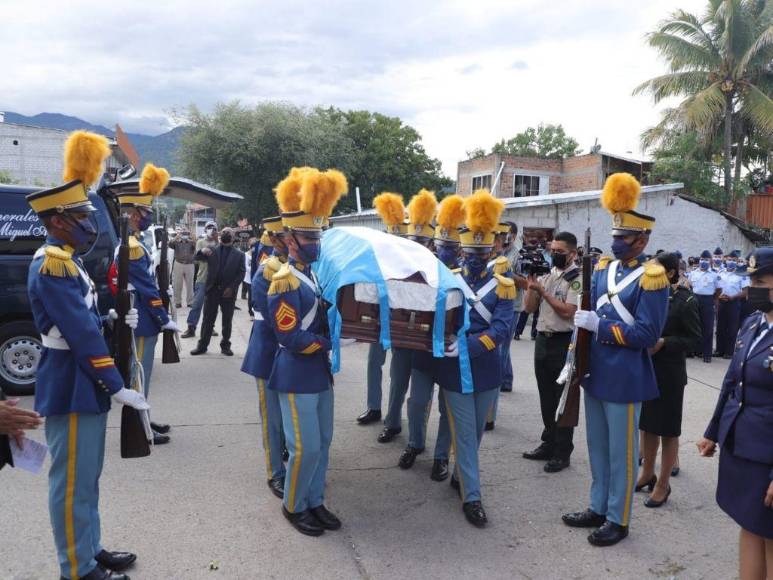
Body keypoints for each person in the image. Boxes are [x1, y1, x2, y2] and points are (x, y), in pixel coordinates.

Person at [26, 130, 149, 580]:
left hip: (82, 382)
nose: (89, 222)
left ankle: (89, 548)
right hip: (72, 383)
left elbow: (87, 318)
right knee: (72, 482)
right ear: (58, 221)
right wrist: (118, 385)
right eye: (80, 215)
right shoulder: (52, 264)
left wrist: (116, 320)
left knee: (87, 481)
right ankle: (75, 568)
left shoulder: (68, 260)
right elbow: (78, 333)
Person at [562, 173, 669, 547]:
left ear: (642, 240)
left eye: (624, 239)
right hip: (594, 371)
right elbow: (587, 313)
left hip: (624, 377)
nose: (617, 243)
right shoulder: (604, 268)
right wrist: (578, 345)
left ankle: (618, 518)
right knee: (597, 447)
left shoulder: (652, 278)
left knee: (621, 455)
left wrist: (599, 325)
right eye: (615, 237)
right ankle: (597, 505)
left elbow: (646, 335)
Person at [266, 167, 347, 536]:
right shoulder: (283, 281)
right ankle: (294, 505)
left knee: (323, 444)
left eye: (317, 234)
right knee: (304, 447)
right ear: (290, 239)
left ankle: (315, 501)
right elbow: (289, 337)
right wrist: (329, 343)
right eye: (308, 236)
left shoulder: (312, 276)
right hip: (297, 372)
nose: (315, 241)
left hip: (318, 373)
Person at [436, 188, 515, 528]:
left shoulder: (504, 284)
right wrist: (444, 340)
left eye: (481, 251)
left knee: (477, 433)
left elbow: (501, 329)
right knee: (466, 434)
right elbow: (437, 319)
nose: (474, 257)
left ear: (493, 249)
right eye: (470, 250)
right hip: (454, 370)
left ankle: (461, 475)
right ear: (462, 249)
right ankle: (473, 498)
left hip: (485, 368)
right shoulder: (449, 280)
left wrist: (468, 345)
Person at [697, 247, 773, 579]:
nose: (751, 287)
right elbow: (731, 383)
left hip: (767, 458)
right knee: (750, 525)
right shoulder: (753, 323)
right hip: (742, 446)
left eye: (759, 280)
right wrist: (714, 432)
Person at [241, 170, 305, 499]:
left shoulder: (301, 270)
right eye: (286, 237)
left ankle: (291, 461)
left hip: (293, 355)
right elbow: (274, 318)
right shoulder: (267, 273)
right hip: (270, 352)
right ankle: (274, 473)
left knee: (291, 419)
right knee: (273, 419)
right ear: (277, 239)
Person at [115, 163, 179, 445]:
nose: (147, 217)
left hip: (140, 315)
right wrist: (163, 317)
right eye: (144, 212)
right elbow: (146, 287)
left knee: (142, 375)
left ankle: (145, 418)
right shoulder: (133, 247)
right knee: (139, 375)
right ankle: (139, 428)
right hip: (141, 319)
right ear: (131, 214)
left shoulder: (134, 243)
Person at [400, 193, 464, 477]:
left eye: (450, 246)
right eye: (441, 245)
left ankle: (441, 457)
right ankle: (414, 443)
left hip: (450, 352)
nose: (444, 251)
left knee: (446, 408)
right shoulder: (423, 270)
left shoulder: (465, 277)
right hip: (423, 348)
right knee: (416, 403)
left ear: (460, 249)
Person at [636, 252, 701, 507]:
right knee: (648, 425)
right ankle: (647, 473)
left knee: (668, 430)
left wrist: (664, 342)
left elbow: (695, 338)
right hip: (647, 368)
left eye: (656, 270)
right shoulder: (649, 295)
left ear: (671, 273)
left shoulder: (685, 301)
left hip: (670, 372)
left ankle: (663, 484)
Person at [378, 189, 438, 444]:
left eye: (422, 242)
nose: (417, 247)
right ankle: (392, 423)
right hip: (401, 335)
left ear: (431, 244)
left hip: (426, 340)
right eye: (413, 241)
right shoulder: (397, 265)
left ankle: (417, 439)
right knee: (397, 384)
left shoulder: (439, 268)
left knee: (420, 397)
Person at [522, 231, 580, 473]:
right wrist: (531, 286)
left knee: (562, 400)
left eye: (560, 252)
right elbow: (528, 308)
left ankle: (562, 451)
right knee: (546, 395)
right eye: (552, 250)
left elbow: (568, 311)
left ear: (573, 254)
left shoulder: (577, 278)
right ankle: (548, 442)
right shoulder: (549, 274)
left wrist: (543, 292)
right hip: (543, 341)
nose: (554, 255)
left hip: (564, 342)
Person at [356, 192, 407, 425]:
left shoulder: (413, 258)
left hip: (405, 320)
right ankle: (373, 407)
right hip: (379, 317)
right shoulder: (377, 255)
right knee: (373, 363)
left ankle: (393, 416)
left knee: (398, 372)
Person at [191, 227, 246, 356]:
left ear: (233, 237)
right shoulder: (211, 250)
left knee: (227, 320)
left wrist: (232, 288)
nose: (226, 234)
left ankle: (225, 345)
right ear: (220, 236)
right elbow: (196, 257)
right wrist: (201, 250)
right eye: (224, 232)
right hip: (212, 290)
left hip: (228, 292)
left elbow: (241, 273)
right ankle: (202, 346)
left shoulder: (239, 255)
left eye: (229, 232)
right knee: (208, 319)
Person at [181, 221, 219, 339]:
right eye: (209, 228)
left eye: (213, 228)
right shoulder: (200, 242)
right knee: (197, 304)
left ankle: (210, 327)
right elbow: (197, 258)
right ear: (205, 229)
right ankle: (191, 327)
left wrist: (216, 243)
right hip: (202, 278)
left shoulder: (219, 243)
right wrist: (204, 252)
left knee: (212, 306)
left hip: (215, 280)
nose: (211, 230)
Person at [688, 250, 720, 362]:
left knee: (708, 328)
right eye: (702, 259)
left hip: (708, 300)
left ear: (710, 261)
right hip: (695, 299)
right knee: (694, 326)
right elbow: (690, 286)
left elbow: (718, 290)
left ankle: (707, 354)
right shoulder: (693, 273)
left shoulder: (714, 275)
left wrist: (713, 299)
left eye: (706, 259)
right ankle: (694, 350)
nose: (703, 261)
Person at [715, 251, 749, 358]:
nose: (731, 262)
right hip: (721, 302)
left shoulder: (741, 274)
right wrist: (718, 297)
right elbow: (716, 288)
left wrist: (733, 297)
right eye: (729, 259)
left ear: (737, 261)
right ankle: (719, 350)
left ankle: (729, 352)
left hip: (734, 302)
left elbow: (746, 291)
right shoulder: (720, 272)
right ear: (726, 259)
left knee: (732, 328)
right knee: (720, 327)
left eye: (734, 260)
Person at [169, 229, 196, 308]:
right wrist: (176, 237)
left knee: (190, 284)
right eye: (183, 233)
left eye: (186, 233)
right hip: (178, 263)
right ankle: (177, 302)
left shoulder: (191, 242)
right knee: (177, 284)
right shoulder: (176, 242)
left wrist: (193, 237)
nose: (185, 235)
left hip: (190, 264)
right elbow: (170, 244)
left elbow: (196, 246)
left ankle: (190, 302)